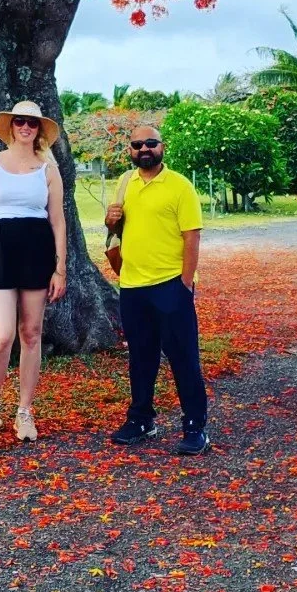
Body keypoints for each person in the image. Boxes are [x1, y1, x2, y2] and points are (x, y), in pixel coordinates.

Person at [0, 100, 68, 441]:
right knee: (3, 334)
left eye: (32, 123)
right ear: (11, 125)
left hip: (36, 255)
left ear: (39, 130)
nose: (26, 127)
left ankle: (25, 411)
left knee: (31, 333)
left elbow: (58, 221)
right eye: (20, 121)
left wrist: (60, 269)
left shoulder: (48, 169)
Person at [104, 124, 210, 455]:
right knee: (140, 357)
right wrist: (110, 219)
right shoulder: (126, 183)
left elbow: (191, 237)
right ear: (130, 150)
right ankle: (141, 419)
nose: (144, 149)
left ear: (162, 146)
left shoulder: (179, 186)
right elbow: (115, 231)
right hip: (133, 285)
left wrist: (185, 283)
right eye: (137, 144)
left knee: (183, 357)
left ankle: (195, 425)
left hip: (170, 285)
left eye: (150, 143)